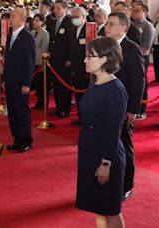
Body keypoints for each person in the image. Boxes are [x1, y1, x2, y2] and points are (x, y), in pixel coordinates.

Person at [77, 37, 127, 228]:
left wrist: (106, 163)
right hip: (90, 151)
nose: (85, 60)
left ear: (105, 59)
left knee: (110, 209)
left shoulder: (115, 90)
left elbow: (114, 131)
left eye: (90, 56)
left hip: (106, 155)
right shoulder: (96, 82)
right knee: (98, 207)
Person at [105, 12, 145, 201]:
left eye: (112, 24)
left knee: (124, 147)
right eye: (107, 23)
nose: (107, 27)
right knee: (108, 144)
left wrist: (133, 109)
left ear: (123, 27)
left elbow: (138, 81)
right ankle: (111, 180)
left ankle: (127, 185)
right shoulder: (106, 47)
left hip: (124, 105)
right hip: (107, 103)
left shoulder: (131, 48)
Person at [4, 8, 35, 152]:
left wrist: (26, 83)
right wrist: (5, 79)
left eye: (13, 16)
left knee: (21, 111)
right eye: (10, 16)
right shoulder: (11, 35)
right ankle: (17, 138)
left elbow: (29, 62)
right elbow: (8, 60)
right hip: (10, 80)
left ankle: (26, 140)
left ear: (22, 19)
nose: (10, 19)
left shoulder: (27, 37)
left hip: (21, 82)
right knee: (13, 111)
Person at [47, 0, 75, 118]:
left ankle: (65, 108)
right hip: (54, 58)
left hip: (64, 60)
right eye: (54, 8)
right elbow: (52, 40)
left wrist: (69, 58)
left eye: (58, 8)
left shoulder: (69, 22)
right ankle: (58, 107)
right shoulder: (54, 22)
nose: (56, 11)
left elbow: (71, 42)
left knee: (64, 84)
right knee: (57, 84)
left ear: (65, 9)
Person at [131, 2, 155, 120]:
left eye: (137, 11)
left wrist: (135, 55)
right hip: (131, 57)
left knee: (141, 83)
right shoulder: (130, 24)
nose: (133, 13)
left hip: (142, 57)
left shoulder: (147, 26)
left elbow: (146, 45)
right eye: (133, 10)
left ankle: (142, 109)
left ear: (144, 12)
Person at [69, 7, 89, 126]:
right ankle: (80, 116)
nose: (74, 19)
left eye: (76, 17)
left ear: (83, 17)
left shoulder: (89, 29)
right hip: (75, 66)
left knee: (84, 93)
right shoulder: (73, 28)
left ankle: (86, 117)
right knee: (78, 94)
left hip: (84, 67)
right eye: (73, 17)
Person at [31, 13, 50, 110]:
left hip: (41, 62)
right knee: (37, 84)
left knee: (42, 84)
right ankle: (39, 102)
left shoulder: (45, 33)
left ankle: (44, 103)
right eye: (34, 20)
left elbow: (45, 49)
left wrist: (43, 63)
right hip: (33, 62)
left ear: (42, 22)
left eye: (37, 20)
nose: (34, 22)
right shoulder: (32, 33)